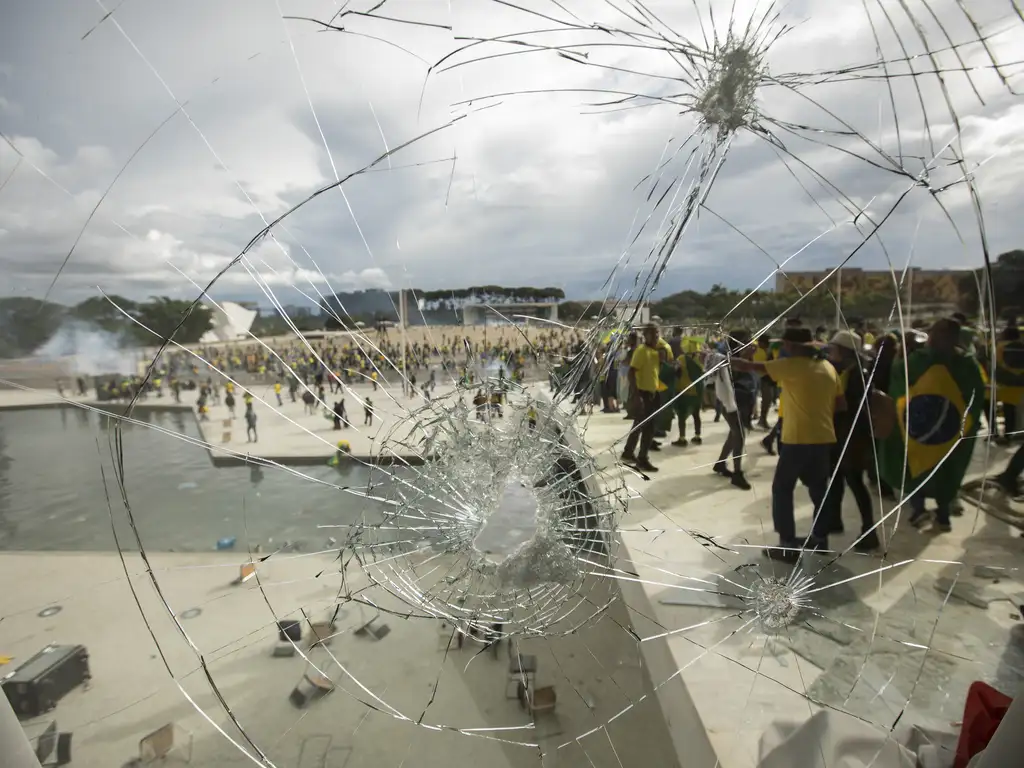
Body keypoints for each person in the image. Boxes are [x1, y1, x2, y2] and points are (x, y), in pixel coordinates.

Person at [734, 326, 845, 560]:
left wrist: (719, 360)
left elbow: (749, 367)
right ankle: (819, 539)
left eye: (784, 344)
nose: (782, 348)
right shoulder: (828, 368)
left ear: (793, 347)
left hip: (797, 440)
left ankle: (787, 546)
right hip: (823, 438)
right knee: (818, 490)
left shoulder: (793, 365)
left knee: (782, 489)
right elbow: (841, 405)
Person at [878, 317, 985, 533]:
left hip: (918, 428)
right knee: (946, 469)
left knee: (916, 465)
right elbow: (976, 397)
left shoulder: (916, 361)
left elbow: (898, 388)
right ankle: (943, 515)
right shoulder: (967, 363)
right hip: (950, 431)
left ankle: (919, 511)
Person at [822, 330, 879, 551]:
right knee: (835, 478)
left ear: (844, 351)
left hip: (852, 436)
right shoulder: (850, 370)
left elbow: (851, 407)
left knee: (855, 482)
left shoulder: (858, 374)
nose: (831, 352)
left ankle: (869, 531)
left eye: (834, 348)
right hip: (843, 434)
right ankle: (834, 521)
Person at [705, 332, 751, 490]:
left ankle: (720, 463)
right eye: (747, 341)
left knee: (734, 433)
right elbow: (729, 378)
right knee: (739, 434)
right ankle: (737, 473)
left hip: (741, 399)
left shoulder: (739, 356)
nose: (751, 344)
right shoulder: (726, 359)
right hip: (729, 401)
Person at [621, 324, 662, 473]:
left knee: (641, 425)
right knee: (647, 427)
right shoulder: (641, 351)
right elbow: (632, 373)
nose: (657, 337)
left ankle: (628, 452)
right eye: (653, 334)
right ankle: (642, 459)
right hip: (642, 393)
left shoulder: (654, 352)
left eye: (658, 334)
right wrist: (637, 396)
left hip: (652, 392)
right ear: (646, 335)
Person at [671, 339, 704, 447]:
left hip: (684, 390)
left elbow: (676, 373)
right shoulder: (700, 359)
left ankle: (682, 438)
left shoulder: (681, 359)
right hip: (698, 391)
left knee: (681, 415)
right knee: (696, 415)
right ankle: (698, 436)